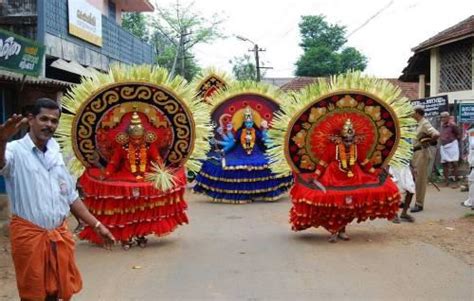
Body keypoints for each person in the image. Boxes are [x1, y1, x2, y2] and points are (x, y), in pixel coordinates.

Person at [0, 98, 115, 300]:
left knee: (56, 291)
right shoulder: (14, 151)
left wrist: (97, 225)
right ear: (30, 119)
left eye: (54, 121)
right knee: (33, 294)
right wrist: (1, 140)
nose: (49, 125)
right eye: (44, 119)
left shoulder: (57, 154)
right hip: (30, 238)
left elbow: (70, 196)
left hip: (59, 235)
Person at [296, 119, 400, 242]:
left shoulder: (357, 148)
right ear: (340, 139)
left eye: (351, 140)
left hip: (354, 179)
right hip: (333, 178)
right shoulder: (332, 148)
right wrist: (316, 176)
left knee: (347, 207)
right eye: (346, 140)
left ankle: (342, 231)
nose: (348, 143)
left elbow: (365, 163)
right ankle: (334, 231)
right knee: (335, 207)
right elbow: (322, 164)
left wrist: (376, 173)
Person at [194, 106, 292, 203]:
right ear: (244, 123)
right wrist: (224, 149)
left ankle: (262, 193)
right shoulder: (240, 132)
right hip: (239, 153)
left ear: (253, 122)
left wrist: (265, 128)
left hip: (256, 153)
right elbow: (233, 142)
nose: (249, 124)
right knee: (230, 167)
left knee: (266, 165)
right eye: (247, 122)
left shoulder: (256, 132)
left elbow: (265, 140)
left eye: (250, 122)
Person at [411, 106, 440, 213]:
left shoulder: (424, 123)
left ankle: (419, 204)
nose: (411, 114)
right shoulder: (418, 124)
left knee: (420, 180)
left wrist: (429, 141)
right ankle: (411, 202)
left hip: (421, 153)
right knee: (414, 179)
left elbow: (436, 134)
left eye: (412, 112)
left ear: (418, 113)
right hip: (416, 153)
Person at [439, 111, 461, 188]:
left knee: (454, 163)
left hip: (452, 144)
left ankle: (456, 181)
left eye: (444, 117)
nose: (442, 118)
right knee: (444, 164)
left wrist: (453, 140)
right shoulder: (441, 125)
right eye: (441, 117)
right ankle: (446, 181)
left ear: (448, 117)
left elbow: (458, 134)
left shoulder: (453, 125)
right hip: (443, 146)